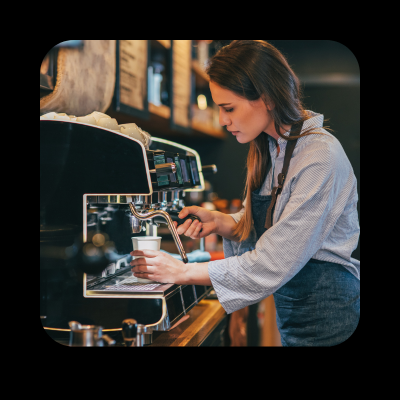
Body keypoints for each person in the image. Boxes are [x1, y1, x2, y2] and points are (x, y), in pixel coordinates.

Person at [130, 40, 360, 346]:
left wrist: (182, 272)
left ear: (267, 98)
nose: (223, 120)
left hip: (332, 316)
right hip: (296, 315)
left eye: (229, 108)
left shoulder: (319, 156)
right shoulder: (273, 148)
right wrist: (223, 222)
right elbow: (279, 220)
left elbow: (274, 260)